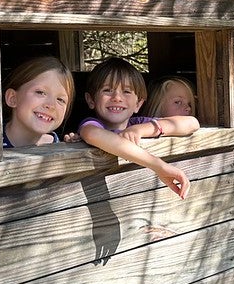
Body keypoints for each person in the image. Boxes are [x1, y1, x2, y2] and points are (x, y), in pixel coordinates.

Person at [76, 57, 199, 200]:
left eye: (126, 91)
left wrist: (141, 130)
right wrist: (159, 166)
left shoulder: (138, 124)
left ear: (138, 104)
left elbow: (192, 123)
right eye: (107, 90)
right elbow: (93, 135)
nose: (117, 97)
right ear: (91, 100)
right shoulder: (91, 124)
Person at [2, 56, 75, 148]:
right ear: (12, 98)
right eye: (40, 92)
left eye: (60, 100)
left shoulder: (59, 145)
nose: (51, 105)